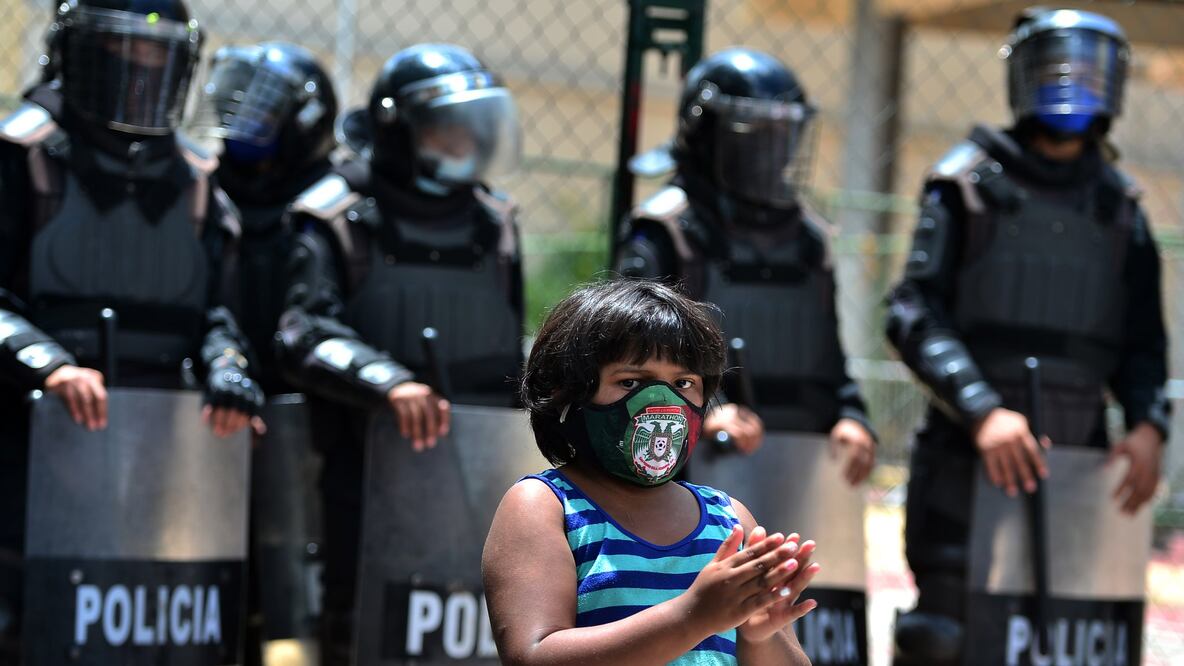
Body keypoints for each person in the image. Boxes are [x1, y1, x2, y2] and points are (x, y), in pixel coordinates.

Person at [886, 9, 1171, 665]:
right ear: (1021, 75)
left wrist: (1151, 425)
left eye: (1087, 68)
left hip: (1081, 466)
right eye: (1052, 67)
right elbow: (912, 311)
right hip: (968, 461)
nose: (1069, 82)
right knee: (946, 639)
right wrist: (983, 411)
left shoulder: (1122, 207)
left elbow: (1144, 343)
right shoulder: (965, 182)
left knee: (1070, 641)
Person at [0, 0, 262, 661]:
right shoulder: (20, 154)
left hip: (159, 458)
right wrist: (49, 365)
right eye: (125, 50)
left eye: (158, 55)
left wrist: (229, 372)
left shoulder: (199, 182)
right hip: (27, 451)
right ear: (78, 52)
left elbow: (219, 318)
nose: (143, 67)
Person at [275, 43, 524, 665]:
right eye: (445, 128)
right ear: (398, 129)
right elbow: (301, 332)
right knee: (360, 627)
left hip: (479, 476)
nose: (464, 142)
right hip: (360, 469)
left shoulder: (495, 224)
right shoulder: (332, 214)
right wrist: (388, 384)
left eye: (473, 128)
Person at [483, 278, 819, 665]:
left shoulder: (729, 520)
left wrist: (759, 636)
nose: (662, 401)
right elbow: (533, 656)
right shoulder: (544, 507)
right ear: (568, 393)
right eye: (631, 382)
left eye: (683, 382)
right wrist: (691, 617)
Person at [616, 48, 875, 484]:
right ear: (707, 133)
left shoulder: (810, 239)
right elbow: (627, 366)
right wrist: (701, 414)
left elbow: (829, 363)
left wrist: (853, 416)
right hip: (685, 471)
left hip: (802, 471)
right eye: (755, 133)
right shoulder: (665, 231)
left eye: (782, 133)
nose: (772, 151)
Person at [190, 41, 338, 394]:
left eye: (262, 114)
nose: (245, 123)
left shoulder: (331, 206)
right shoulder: (203, 190)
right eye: (236, 108)